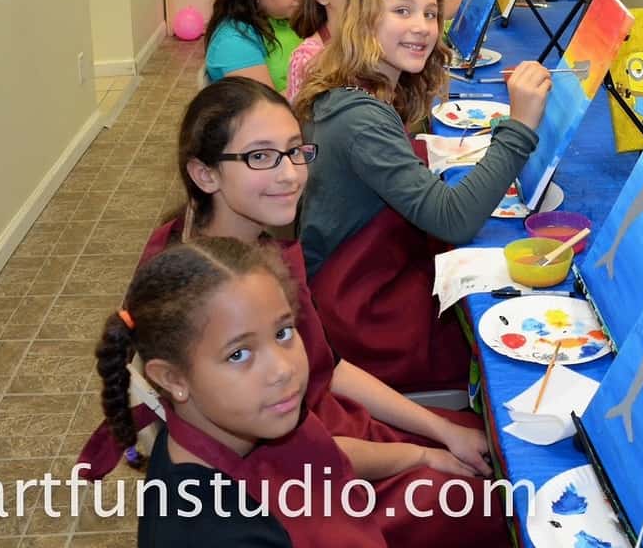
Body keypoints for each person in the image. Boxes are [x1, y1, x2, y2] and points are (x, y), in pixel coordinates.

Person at [92, 78, 506, 546]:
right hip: (302, 477)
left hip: (320, 437)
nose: (289, 174)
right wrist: (420, 453)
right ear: (204, 174)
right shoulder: (206, 293)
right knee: (485, 493)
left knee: (483, 441)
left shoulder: (252, 248)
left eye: (295, 151)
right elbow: (301, 453)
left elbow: (328, 366)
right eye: (260, 157)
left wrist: (436, 429)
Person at [292, 0, 551, 391]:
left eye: (431, 14)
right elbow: (455, 219)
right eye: (402, 11)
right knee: (508, 353)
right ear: (363, 19)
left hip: (356, 286)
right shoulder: (360, 120)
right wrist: (520, 127)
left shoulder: (353, 88)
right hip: (365, 315)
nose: (423, 27)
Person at [94, 238, 386, 547]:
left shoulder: (234, 422)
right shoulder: (219, 533)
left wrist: (424, 456)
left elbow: (324, 458)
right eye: (238, 354)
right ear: (173, 378)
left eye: (283, 332)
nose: (282, 369)